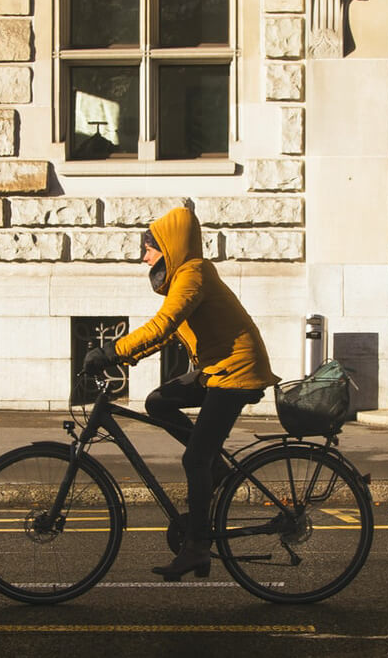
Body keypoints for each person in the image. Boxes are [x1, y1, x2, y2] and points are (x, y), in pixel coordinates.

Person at [83, 206, 279, 581]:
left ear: (169, 248)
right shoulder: (183, 279)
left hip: (236, 372)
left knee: (194, 460)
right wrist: (125, 356)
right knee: (158, 403)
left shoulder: (194, 274)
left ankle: (196, 547)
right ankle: (215, 469)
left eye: (149, 249)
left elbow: (163, 324)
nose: (144, 257)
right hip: (214, 371)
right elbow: (168, 332)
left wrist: (112, 353)